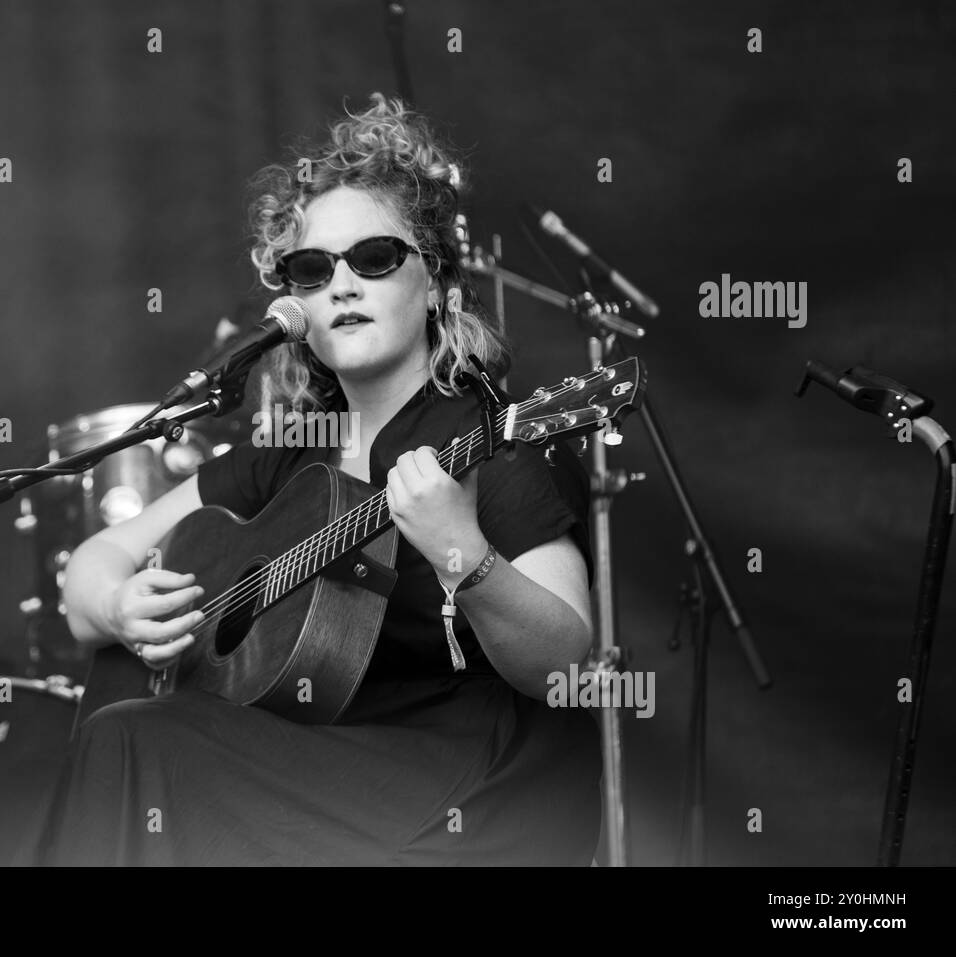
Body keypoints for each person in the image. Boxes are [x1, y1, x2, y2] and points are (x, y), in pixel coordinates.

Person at [35, 93, 602, 866]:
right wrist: (119, 605)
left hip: (465, 791)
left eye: (374, 258)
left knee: (133, 741)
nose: (342, 285)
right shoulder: (295, 453)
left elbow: (567, 666)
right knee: (132, 723)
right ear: (293, 302)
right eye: (312, 269)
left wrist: (463, 555)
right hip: (311, 768)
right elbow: (88, 582)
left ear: (435, 282)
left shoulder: (487, 441)